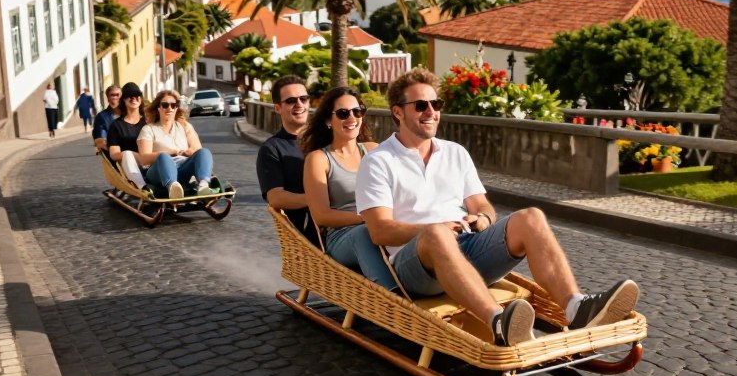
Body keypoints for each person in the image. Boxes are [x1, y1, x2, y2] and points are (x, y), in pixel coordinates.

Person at [356, 68, 640, 347]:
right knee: (436, 234)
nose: (431, 111)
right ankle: (499, 323)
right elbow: (380, 231)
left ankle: (577, 309)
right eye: (420, 105)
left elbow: (483, 206)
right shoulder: (378, 162)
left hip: (467, 246)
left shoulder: (455, 152)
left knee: (531, 217)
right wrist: (437, 229)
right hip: (415, 267)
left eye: (436, 104)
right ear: (397, 112)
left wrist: (482, 218)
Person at [301, 86, 396, 289]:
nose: (352, 117)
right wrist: (369, 217)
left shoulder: (374, 149)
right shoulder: (318, 159)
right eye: (343, 113)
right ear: (328, 121)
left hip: (382, 223)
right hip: (342, 236)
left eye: (357, 111)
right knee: (364, 234)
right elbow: (321, 216)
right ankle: (393, 299)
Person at [256, 75, 318, 245]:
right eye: (291, 101)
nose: (299, 105)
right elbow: (275, 197)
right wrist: (317, 201)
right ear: (277, 108)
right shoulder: (271, 149)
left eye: (303, 99)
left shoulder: (327, 140)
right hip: (307, 238)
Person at [138, 90, 215, 199]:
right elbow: (144, 158)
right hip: (158, 170)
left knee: (204, 152)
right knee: (163, 156)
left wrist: (189, 151)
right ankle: (173, 188)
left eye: (173, 105)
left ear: (176, 108)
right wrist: (171, 152)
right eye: (165, 105)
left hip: (182, 168)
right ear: (158, 108)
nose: (169, 108)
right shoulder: (148, 129)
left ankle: (203, 185)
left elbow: (197, 148)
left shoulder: (184, 126)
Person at [106, 82, 147, 188]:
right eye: (129, 96)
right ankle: (143, 188)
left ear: (141, 99)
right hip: (129, 166)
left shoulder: (148, 122)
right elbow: (114, 154)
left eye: (137, 95)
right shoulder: (116, 126)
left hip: (149, 162)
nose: (133, 98)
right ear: (123, 100)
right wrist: (132, 155)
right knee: (127, 154)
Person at [92, 85, 122, 152]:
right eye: (112, 95)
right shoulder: (101, 117)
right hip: (112, 153)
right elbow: (101, 140)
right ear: (108, 97)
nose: (115, 97)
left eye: (117, 95)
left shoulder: (128, 114)